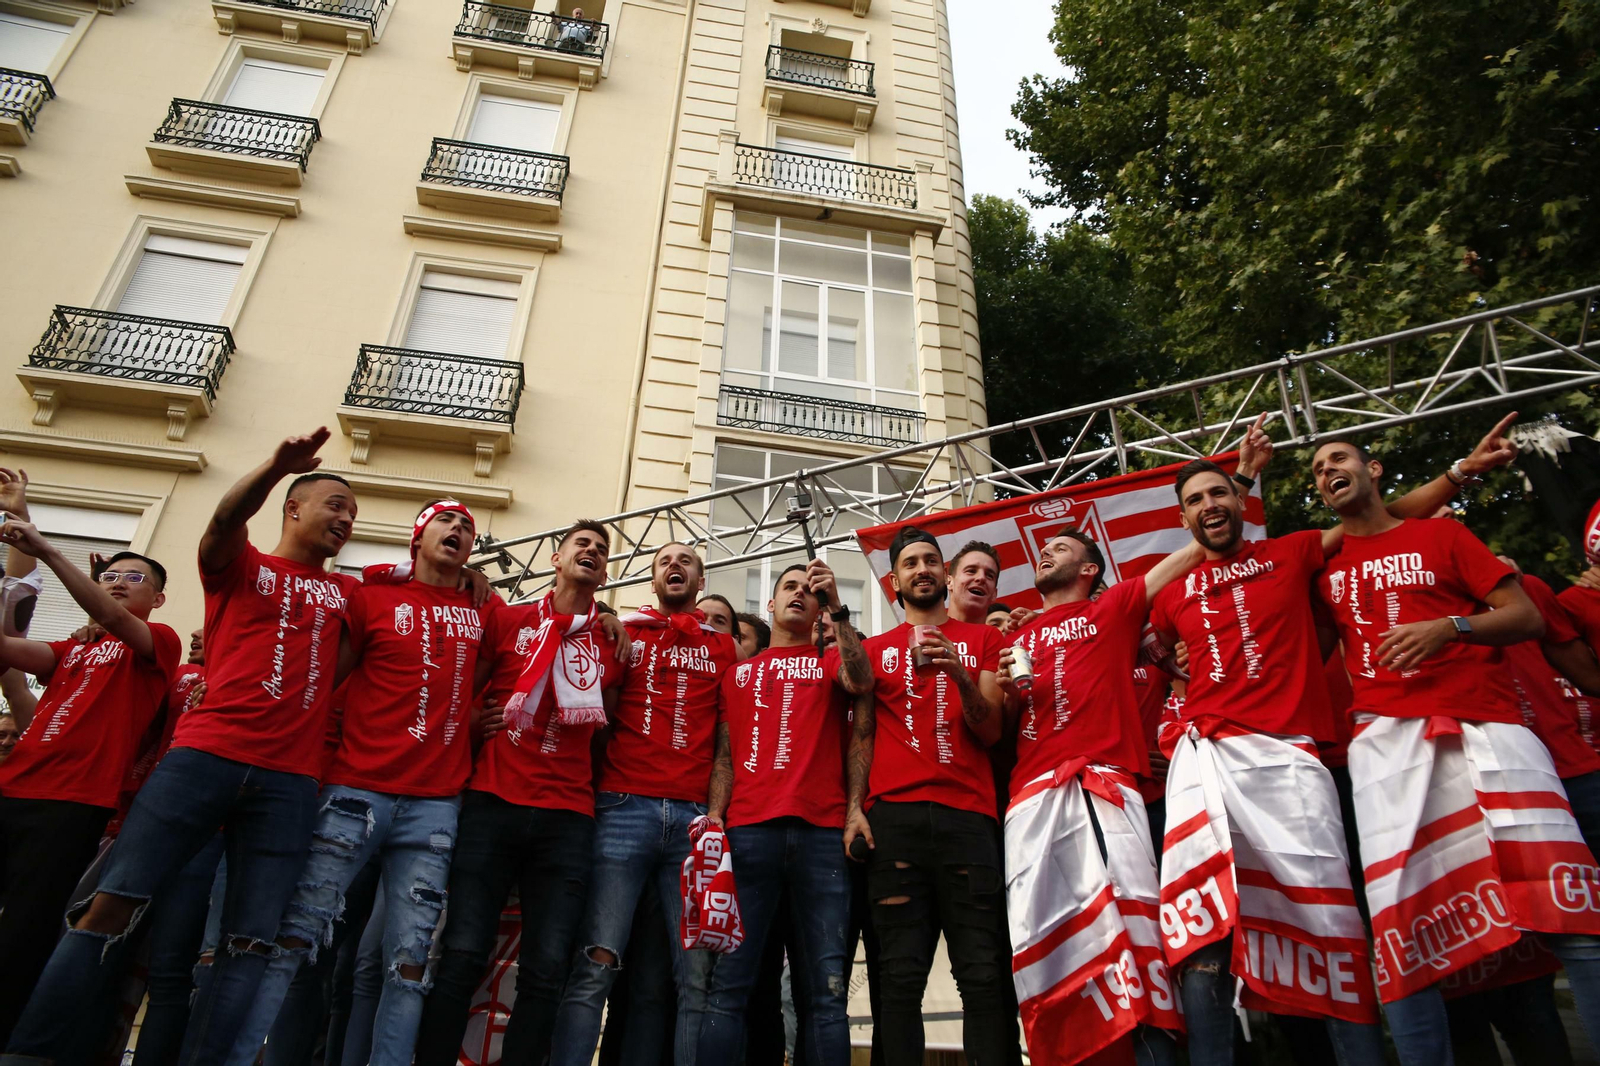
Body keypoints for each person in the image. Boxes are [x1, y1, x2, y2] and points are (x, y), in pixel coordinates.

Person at [1148, 412, 1523, 1066]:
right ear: (1182, 520)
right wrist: (1163, 654)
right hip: (1206, 761)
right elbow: (1123, 611)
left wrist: (1459, 473)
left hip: (1293, 762)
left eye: (1218, 494)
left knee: (1331, 926)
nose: (1209, 506)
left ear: (1242, 503)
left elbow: (1378, 518)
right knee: (1204, 935)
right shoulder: (1171, 591)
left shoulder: (1291, 554)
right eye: (1194, 501)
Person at [4, 427, 361, 1066]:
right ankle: (30, 1054)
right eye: (335, 505)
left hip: (290, 780)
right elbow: (223, 519)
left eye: (353, 516)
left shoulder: (351, 596)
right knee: (109, 905)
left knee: (250, 940)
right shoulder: (243, 565)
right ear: (293, 507)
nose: (345, 520)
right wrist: (275, 465)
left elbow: (413, 593)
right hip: (203, 756)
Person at [1312, 435, 1600, 1063]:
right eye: (1317, 468)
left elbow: (1525, 616)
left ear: (1373, 467)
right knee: (1401, 939)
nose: (1328, 469)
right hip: (1389, 753)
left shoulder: (1444, 539)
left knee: (1573, 910)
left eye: (1340, 457)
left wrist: (1450, 627)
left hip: (1491, 732)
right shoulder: (1322, 568)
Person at [228, 499, 497, 1066]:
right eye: (446, 522)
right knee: (297, 938)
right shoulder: (368, 597)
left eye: (468, 527)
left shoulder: (485, 610)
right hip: (356, 793)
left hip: (436, 808)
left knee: (409, 962)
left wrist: (610, 619)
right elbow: (322, 680)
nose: (458, 529)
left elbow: (547, 626)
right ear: (416, 538)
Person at [415, 520, 625, 1066]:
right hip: (493, 802)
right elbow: (465, 687)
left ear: (605, 573)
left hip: (569, 816)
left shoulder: (611, 638)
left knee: (546, 969)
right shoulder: (507, 619)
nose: (593, 552)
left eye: (602, 551)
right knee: (460, 955)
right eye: (582, 544)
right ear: (556, 559)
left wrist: (609, 621)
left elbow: (612, 730)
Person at [997, 529, 1199, 1064]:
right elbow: (1001, 723)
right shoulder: (1017, 638)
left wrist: (1241, 478)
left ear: (1090, 569)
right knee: (1049, 953)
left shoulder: (1112, 608)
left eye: (1062, 549)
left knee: (1134, 945)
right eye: (1047, 549)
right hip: (1030, 803)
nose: (1046, 552)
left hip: (1103, 786)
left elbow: (1190, 552)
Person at [550, 542, 739, 1066]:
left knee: (696, 978)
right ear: (652, 582)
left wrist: (716, 817)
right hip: (622, 808)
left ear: (701, 583)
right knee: (595, 963)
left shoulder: (723, 649)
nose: (674, 567)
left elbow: (727, 743)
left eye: (686, 562)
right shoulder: (624, 634)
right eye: (663, 563)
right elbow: (594, 713)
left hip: (693, 821)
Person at [0, 519, 181, 1050]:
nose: (119, 582)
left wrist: (49, 552)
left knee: (23, 934)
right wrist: (20, 561)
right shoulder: (71, 648)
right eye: (111, 575)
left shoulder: (158, 646)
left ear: (160, 597)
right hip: (12, 787)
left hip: (72, 802)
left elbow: (108, 615)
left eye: (135, 577)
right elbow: (11, 651)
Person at [843, 526, 1008, 1066]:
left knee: (983, 975)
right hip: (894, 822)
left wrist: (960, 676)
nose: (921, 569)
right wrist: (854, 812)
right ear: (895, 581)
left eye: (930, 561)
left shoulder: (985, 640)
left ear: (944, 573)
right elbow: (860, 734)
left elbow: (990, 732)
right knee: (899, 977)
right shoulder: (873, 649)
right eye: (910, 563)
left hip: (969, 819)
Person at [699, 560, 872, 1062]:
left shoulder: (831, 661)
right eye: (788, 588)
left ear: (819, 609)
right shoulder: (736, 674)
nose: (799, 593)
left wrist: (839, 608)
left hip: (823, 836)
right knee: (728, 988)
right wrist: (714, 818)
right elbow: (725, 756)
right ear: (769, 605)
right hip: (748, 835)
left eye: (808, 590)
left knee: (826, 996)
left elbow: (861, 681)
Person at [948, 541, 1001, 626]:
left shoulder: (1002, 638)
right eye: (971, 571)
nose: (981, 578)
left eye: (989, 576)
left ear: (994, 594)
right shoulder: (924, 633)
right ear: (949, 582)